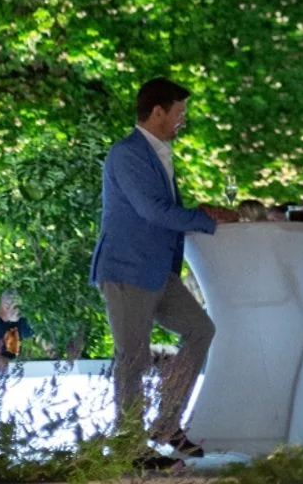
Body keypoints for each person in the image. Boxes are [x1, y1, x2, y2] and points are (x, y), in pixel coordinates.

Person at [90, 77, 238, 468]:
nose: (182, 120)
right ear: (158, 112)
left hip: (157, 271)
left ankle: (167, 425)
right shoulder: (126, 153)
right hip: (126, 269)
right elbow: (152, 210)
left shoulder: (158, 152)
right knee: (132, 359)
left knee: (201, 330)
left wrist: (198, 211)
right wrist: (208, 221)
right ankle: (130, 448)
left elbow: (163, 207)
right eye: (179, 113)